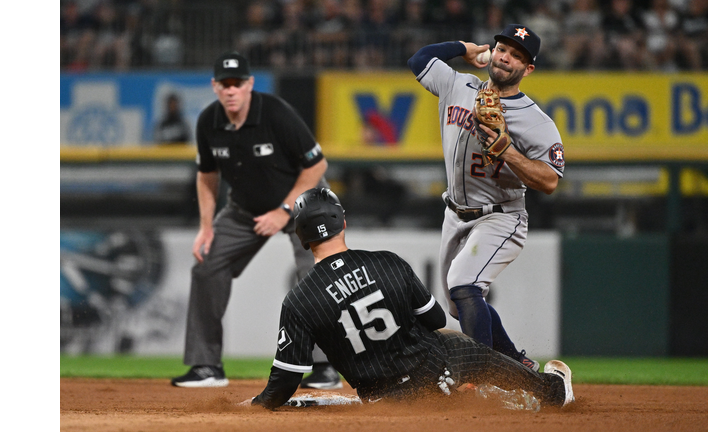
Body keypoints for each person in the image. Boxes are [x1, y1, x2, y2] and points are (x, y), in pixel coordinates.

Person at [249, 187, 574, 408]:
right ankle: (552, 391)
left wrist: (261, 403)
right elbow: (435, 319)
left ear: (302, 238)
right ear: (343, 221)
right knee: (469, 349)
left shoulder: (299, 300)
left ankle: (463, 396)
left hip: (383, 399)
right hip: (438, 368)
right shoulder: (388, 263)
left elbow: (285, 380)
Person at [171, 51, 341, 389]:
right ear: (215, 86)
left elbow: (316, 165)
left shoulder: (276, 113)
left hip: (304, 202)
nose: (231, 90)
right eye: (225, 84)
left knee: (316, 274)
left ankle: (325, 368)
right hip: (245, 208)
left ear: (249, 84)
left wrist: (283, 211)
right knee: (207, 265)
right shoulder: (209, 121)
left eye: (237, 83)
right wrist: (205, 227)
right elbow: (207, 176)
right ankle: (207, 366)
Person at [406, 24, 565, 371]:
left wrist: (509, 152)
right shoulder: (458, 85)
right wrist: (463, 48)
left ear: (528, 69)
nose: (506, 58)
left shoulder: (536, 121)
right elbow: (419, 59)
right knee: (458, 303)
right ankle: (517, 364)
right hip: (454, 213)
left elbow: (550, 181)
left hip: (501, 216)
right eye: (502, 49)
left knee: (463, 285)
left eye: (517, 56)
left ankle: (479, 374)